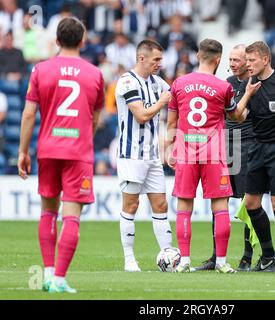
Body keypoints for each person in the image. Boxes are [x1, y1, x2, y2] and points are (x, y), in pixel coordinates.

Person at [18, 17, 105, 293]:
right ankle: (59, 279)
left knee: (48, 212)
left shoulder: (40, 70)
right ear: (82, 41)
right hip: (77, 151)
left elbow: (29, 113)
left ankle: (46, 274)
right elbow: (95, 118)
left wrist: (22, 151)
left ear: (56, 41)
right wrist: (81, 137)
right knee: (71, 216)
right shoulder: (95, 74)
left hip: (47, 150)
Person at [166, 39, 253, 273]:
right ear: (218, 60)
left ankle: (184, 261)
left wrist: (169, 150)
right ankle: (222, 262)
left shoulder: (179, 83)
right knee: (220, 207)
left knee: (184, 206)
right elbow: (236, 116)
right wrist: (248, 95)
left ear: (197, 56)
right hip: (214, 153)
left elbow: (171, 122)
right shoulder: (223, 87)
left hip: (185, 151)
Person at [193, 44, 256, 272]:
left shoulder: (254, 83)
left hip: (246, 145)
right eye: (230, 59)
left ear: (247, 61)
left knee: (248, 203)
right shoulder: (226, 83)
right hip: (223, 145)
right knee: (219, 200)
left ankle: (248, 257)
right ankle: (216, 256)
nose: (232, 63)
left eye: (236, 60)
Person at [238, 41, 275, 272]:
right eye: (247, 60)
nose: (247, 64)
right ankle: (268, 255)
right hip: (257, 147)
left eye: (251, 60)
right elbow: (239, 117)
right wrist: (246, 94)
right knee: (251, 204)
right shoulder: (250, 85)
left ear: (265, 59)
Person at [116, 40, 173, 272]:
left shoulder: (157, 81)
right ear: (142, 58)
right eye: (156, 60)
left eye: (161, 59)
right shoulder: (127, 81)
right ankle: (129, 259)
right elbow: (140, 115)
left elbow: (174, 93)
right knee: (131, 204)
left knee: (160, 204)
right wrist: (162, 102)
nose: (160, 64)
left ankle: (169, 256)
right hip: (131, 154)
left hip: (151, 155)